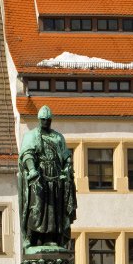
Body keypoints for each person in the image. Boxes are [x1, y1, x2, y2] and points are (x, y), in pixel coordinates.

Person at [18, 106, 77, 253]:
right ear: (39, 120)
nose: (46, 122)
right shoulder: (31, 136)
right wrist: (32, 170)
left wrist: (67, 169)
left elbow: (66, 156)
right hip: (39, 178)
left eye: (48, 120)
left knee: (53, 209)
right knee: (36, 207)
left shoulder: (58, 137)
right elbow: (27, 154)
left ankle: (51, 238)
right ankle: (33, 237)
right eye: (43, 120)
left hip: (56, 178)